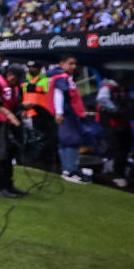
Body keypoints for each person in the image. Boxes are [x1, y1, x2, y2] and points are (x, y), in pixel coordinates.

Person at [48, 54, 89, 183]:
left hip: (66, 112)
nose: (73, 66)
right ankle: (71, 170)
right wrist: (59, 112)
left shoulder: (62, 76)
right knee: (71, 140)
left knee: (65, 141)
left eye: (74, 64)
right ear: (62, 64)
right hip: (67, 113)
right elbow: (58, 93)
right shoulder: (61, 77)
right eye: (70, 63)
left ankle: (67, 169)